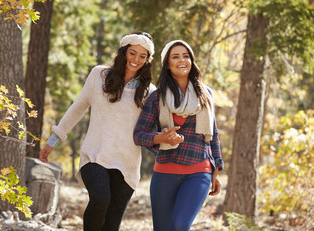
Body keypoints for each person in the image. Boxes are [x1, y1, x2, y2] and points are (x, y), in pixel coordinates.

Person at [39, 32, 156, 231]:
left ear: (147, 60)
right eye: (132, 53)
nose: (136, 59)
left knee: (111, 224)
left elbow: (153, 128)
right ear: (123, 52)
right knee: (101, 199)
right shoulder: (99, 75)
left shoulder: (149, 92)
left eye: (142, 56)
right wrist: (53, 139)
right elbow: (78, 107)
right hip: (94, 155)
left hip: (126, 164)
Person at [133, 40, 224, 231]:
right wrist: (161, 138)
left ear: (191, 60)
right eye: (175, 57)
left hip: (199, 171)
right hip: (165, 172)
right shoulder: (157, 97)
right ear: (167, 64)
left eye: (186, 56)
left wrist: (217, 168)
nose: (182, 60)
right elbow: (139, 134)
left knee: (179, 225)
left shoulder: (205, 94)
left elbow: (212, 134)